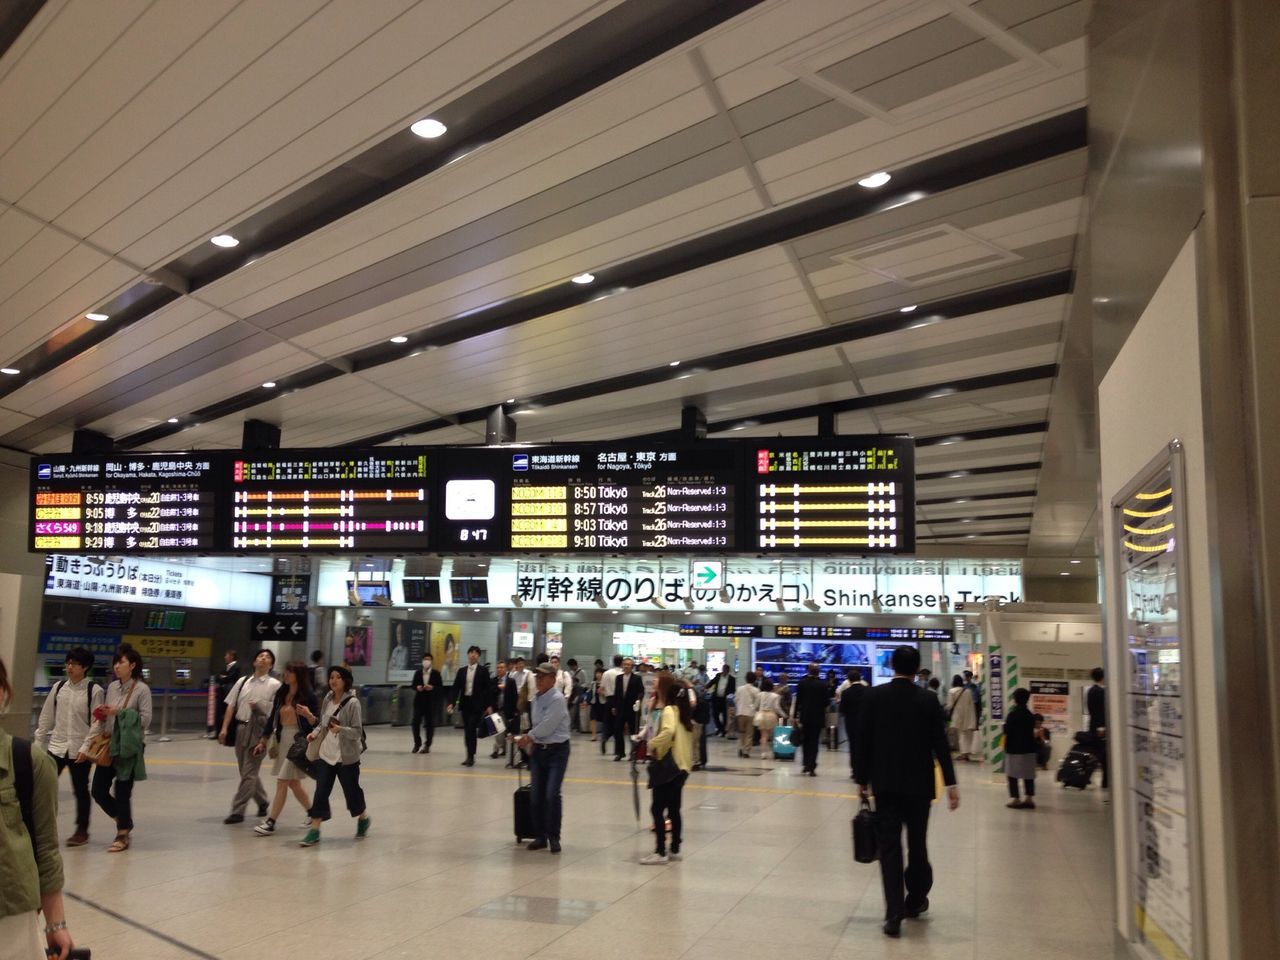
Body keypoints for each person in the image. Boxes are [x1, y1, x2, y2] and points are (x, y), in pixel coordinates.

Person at [856, 646, 959, 938]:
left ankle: (893, 915)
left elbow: (863, 741)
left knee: (890, 849)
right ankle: (914, 900)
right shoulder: (927, 700)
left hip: (885, 786)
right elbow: (940, 744)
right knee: (918, 845)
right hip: (919, 788)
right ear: (917, 670)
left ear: (891, 666)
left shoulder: (874, 697)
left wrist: (861, 779)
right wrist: (951, 784)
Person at [0, 656, 76, 960]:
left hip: (10, 915)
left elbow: (45, 846)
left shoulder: (28, 762)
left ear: (4, 693)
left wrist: (54, 922)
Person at [33, 647, 104, 846]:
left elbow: (97, 723)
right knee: (42, 787)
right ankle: (40, 827)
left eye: (74, 663)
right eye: (68, 663)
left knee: (80, 789)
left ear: (86, 667)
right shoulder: (58, 688)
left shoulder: (94, 690)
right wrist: (39, 743)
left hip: (79, 749)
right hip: (56, 747)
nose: (70, 667)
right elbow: (47, 716)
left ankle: (82, 830)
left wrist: (86, 748)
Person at [87, 644, 152, 853]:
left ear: (132, 665)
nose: (117, 666)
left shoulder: (142, 689)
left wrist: (120, 712)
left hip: (129, 747)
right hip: (110, 744)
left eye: (121, 662)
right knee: (98, 790)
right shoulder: (113, 687)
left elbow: (145, 719)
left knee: (123, 790)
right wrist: (103, 713)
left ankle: (122, 833)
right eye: (116, 662)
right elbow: (110, 716)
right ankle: (124, 820)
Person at [297, 666, 370, 846]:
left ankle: (363, 817)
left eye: (338, 677)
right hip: (326, 755)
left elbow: (357, 731)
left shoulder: (353, 703)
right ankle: (315, 830)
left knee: (351, 792)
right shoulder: (328, 698)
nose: (333, 680)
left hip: (346, 758)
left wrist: (341, 729)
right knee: (321, 792)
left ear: (345, 681)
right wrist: (314, 733)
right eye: (331, 677)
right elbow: (323, 723)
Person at [218, 648, 282, 824]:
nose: (263, 658)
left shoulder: (275, 686)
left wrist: (259, 707)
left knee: (249, 772)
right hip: (241, 728)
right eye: (260, 656)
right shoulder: (242, 681)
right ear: (254, 662)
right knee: (246, 772)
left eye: (267, 657)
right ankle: (262, 800)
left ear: (271, 664)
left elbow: (275, 712)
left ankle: (237, 810)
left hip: (260, 731)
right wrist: (224, 728)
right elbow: (231, 706)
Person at [254, 661, 317, 836]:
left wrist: (308, 716)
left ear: (299, 675)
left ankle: (271, 821)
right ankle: (313, 813)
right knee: (293, 783)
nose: (286, 675)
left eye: (290, 672)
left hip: (298, 741)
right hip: (283, 740)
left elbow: (316, 721)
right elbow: (272, 718)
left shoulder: (308, 696)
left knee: (282, 781)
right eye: (286, 671)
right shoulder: (282, 693)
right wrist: (263, 740)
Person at [515, 663, 571, 853]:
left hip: (557, 751)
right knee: (536, 795)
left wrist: (528, 737)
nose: (538, 680)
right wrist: (530, 742)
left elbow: (548, 725)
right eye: (537, 676)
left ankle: (554, 836)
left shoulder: (557, 699)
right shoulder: (536, 699)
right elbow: (537, 725)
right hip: (539, 751)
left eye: (542, 677)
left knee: (551, 794)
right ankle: (540, 836)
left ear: (553, 679)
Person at [640, 672, 693, 864]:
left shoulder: (669, 710)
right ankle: (675, 847)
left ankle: (660, 851)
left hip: (669, 767)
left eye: (657, 680)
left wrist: (652, 743)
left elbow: (668, 732)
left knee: (657, 809)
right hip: (682, 767)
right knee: (673, 809)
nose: (653, 681)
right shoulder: (681, 711)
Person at [447, 645, 492, 766]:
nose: (473, 655)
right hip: (465, 703)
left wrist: (488, 705)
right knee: (467, 730)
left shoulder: (483, 671)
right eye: (471, 652)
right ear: (468, 655)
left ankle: (471, 756)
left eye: (475, 653)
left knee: (471, 728)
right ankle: (469, 754)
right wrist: (451, 702)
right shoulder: (462, 671)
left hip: (477, 704)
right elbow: (455, 688)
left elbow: (488, 689)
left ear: (478, 656)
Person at [1003, 688, 1038, 809]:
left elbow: (1006, 730)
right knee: (1029, 774)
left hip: (1014, 748)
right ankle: (1029, 798)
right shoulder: (1030, 715)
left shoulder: (1012, 714)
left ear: (1015, 699)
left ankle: (1016, 799)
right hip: (1029, 748)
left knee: (1012, 774)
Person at [793, 662, 829, 776]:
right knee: (814, 742)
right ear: (818, 672)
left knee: (805, 741)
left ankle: (805, 764)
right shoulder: (823, 685)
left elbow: (798, 701)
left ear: (808, 671)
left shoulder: (802, 683)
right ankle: (812, 766)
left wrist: (794, 716)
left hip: (805, 717)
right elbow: (826, 702)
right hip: (818, 717)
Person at [611, 657, 644, 761]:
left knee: (633, 731)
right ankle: (620, 753)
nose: (626, 666)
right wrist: (614, 706)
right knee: (617, 730)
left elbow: (641, 692)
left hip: (632, 708)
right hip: (620, 708)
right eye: (625, 664)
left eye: (629, 664)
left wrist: (638, 701)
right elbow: (616, 693)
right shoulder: (619, 678)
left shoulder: (637, 678)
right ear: (622, 665)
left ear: (632, 666)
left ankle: (633, 753)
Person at [410, 653, 442, 754]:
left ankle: (427, 744)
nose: (426, 661)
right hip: (419, 701)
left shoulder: (436, 674)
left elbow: (440, 688)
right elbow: (413, 685)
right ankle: (417, 743)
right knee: (415, 722)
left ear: (431, 661)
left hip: (431, 702)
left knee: (429, 724)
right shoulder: (418, 673)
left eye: (428, 659)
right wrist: (417, 687)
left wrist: (432, 688)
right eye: (424, 659)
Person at [839, 669, 868, 780]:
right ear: (860, 679)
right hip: (865, 722)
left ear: (849, 680)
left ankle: (855, 771)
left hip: (850, 723)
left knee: (853, 746)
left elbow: (842, 710)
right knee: (864, 746)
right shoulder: (867, 690)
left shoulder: (846, 693)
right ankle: (864, 770)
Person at [947, 674, 979, 761]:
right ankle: (966, 753)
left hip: (958, 715)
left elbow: (950, 705)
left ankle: (963, 754)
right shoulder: (967, 691)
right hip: (968, 715)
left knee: (961, 735)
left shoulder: (951, 691)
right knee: (967, 735)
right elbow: (971, 704)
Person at [1086, 667, 1108, 790]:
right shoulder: (1100, 692)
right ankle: (1105, 781)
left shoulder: (1090, 691)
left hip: (1093, 726)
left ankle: (1088, 776)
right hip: (1100, 728)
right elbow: (1101, 712)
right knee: (1103, 755)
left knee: (1096, 754)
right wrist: (1102, 727)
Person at [212, 649, 240, 737]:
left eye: (226, 655)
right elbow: (218, 677)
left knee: (227, 712)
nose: (225, 657)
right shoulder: (225, 667)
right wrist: (223, 678)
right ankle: (218, 732)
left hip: (229, 692)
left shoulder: (236, 667)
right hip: (221, 693)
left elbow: (230, 678)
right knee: (219, 712)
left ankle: (228, 732)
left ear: (231, 656)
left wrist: (223, 678)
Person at [599, 655, 623, 753]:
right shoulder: (623, 674)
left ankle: (604, 738)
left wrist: (606, 697)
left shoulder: (606, 673)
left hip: (609, 700)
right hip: (620, 700)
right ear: (621, 662)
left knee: (607, 722)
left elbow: (601, 689)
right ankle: (617, 748)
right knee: (618, 723)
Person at [752, 677, 780, 759]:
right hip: (771, 715)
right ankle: (773, 751)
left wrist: (752, 709)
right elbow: (776, 707)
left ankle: (763, 753)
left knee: (763, 735)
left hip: (761, 715)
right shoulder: (775, 696)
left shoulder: (759, 695)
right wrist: (784, 714)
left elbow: (755, 706)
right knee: (772, 735)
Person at [489, 659, 510, 760]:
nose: (500, 669)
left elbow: (513, 694)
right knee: (498, 731)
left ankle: (503, 749)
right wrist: (499, 687)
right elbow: (490, 692)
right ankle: (496, 750)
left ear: (506, 669)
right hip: (496, 708)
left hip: (506, 709)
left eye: (502, 667)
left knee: (504, 730)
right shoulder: (493, 680)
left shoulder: (510, 680)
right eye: (498, 668)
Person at [734, 671, 759, 758]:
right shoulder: (756, 690)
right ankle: (746, 751)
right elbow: (757, 703)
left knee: (741, 732)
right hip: (750, 714)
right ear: (754, 680)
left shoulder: (739, 689)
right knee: (749, 733)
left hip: (740, 712)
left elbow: (736, 700)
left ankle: (740, 747)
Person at [710, 664, 735, 736]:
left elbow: (733, 690)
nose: (724, 671)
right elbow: (712, 682)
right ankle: (720, 728)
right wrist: (706, 687)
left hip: (725, 700)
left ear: (728, 671)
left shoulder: (732, 679)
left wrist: (730, 696)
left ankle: (722, 730)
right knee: (715, 715)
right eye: (723, 669)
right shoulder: (718, 675)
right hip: (716, 698)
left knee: (725, 716)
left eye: (725, 670)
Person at [588, 665, 607, 742]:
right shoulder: (593, 683)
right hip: (594, 702)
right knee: (592, 718)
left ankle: (604, 735)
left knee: (605, 719)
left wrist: (602, 693)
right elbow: (589, 692)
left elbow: (608, 694)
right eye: (597, 673)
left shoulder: (605, 683)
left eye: (600, 673)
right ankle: (594, 735)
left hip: (603, 703)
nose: (598, 674)